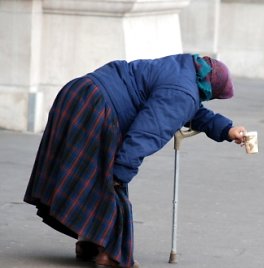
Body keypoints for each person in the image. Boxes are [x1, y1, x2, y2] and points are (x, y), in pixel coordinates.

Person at [23, 53, 247, 267]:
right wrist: (122, 170)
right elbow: (148, 131)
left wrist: (227, 130)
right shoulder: (184, 92)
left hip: (78, 93)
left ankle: (91, 243)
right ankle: (111, 255)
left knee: (91, 176)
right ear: (209, 89)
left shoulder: (183, 68)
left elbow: (190, 109)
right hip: (98, 106)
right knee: (111, 181)